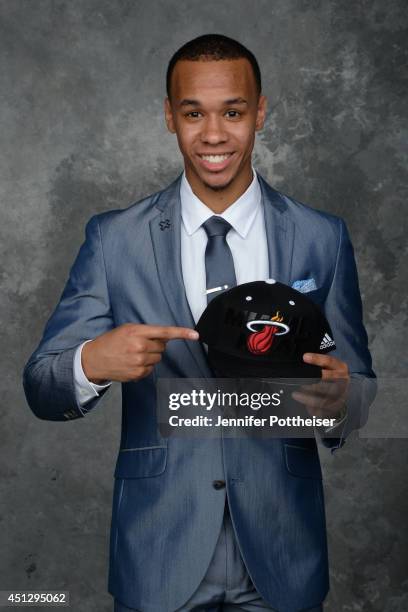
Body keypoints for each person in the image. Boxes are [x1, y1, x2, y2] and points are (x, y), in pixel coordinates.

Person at [23, 34, 375, 612]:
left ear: (260, 112)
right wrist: (91, 363)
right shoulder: (115, 240)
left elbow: (361, 388)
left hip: (283, 555)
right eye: (193, 113)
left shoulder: (322, 237)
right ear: (169, 116)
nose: (213, 135)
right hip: (159, 553)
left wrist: (342, 400)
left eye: (233, 112)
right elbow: (41, 385)